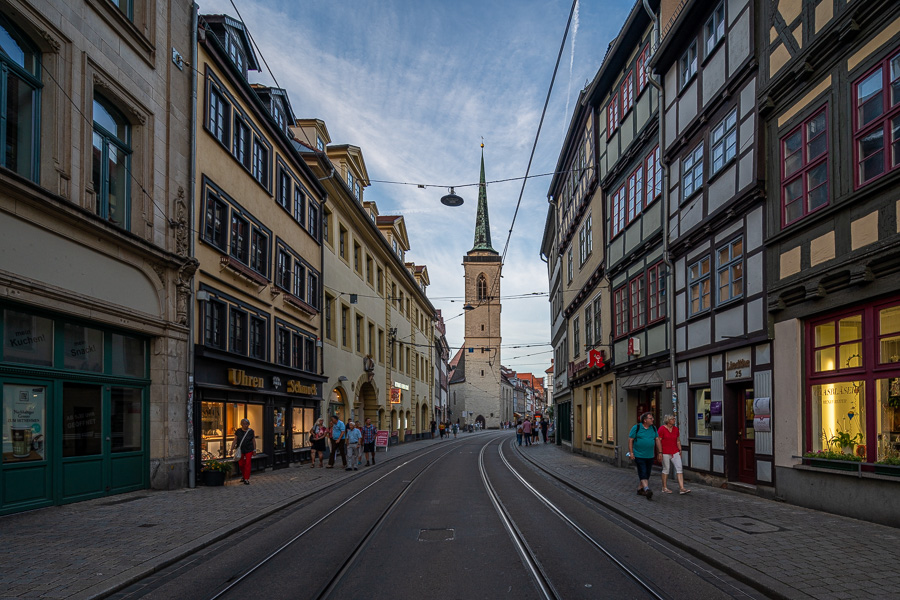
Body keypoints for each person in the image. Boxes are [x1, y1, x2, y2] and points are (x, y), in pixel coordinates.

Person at [628, 412, 661, 500]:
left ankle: (640, 489)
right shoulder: (637, 427)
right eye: (651, 418)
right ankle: (647, 489)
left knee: (647, 473)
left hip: (650, 455)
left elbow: (657, 440)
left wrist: (660, 452)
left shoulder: (653, 428)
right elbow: (631, 440)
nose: (653, 419)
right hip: (639, 454)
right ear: (645, 420)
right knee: (642, 471)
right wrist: (631, 453)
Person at [659, 414, 690, 494]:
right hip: (665, 451)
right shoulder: (662, 429)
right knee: (666, 469)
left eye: (674, 419)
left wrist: (680, 449)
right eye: (672, 419)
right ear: (668, 420)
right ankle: (664, 487)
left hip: (675, 451)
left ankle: (682, 488)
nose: (674, 420)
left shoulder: (676, 429)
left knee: (679, 468)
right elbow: (658, 441)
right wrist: (660, 452)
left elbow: (678, 440)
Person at [231, 418, 255, 485]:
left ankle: (246, 479)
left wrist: (254, 449)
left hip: (249, 449)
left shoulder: (251, 432)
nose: (245, 425)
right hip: (240, 449)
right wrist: (231, 449)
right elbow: (235, 440)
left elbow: (253, 441)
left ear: (248, 424)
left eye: (246, 424)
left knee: (248, 463)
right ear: (241, 424)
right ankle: (244, 475)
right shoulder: (238, 431)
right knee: (241, 463)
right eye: (244, 424)